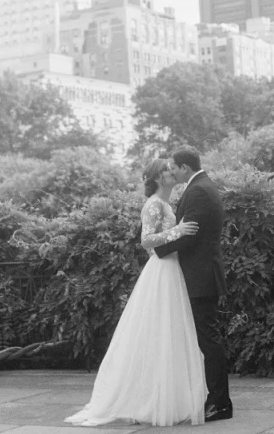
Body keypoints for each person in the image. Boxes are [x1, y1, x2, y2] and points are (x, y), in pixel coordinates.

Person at [64, 158, 207, 427]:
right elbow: (146, 241)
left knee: (169, 333)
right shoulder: (153, 204)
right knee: (156, 330)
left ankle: (166, 397)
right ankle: (146, 400)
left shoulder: (165, 204)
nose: (171, 172)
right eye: (166, 170)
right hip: (161, 271)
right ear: (156, 178)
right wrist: (177, 230)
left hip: (172, 269)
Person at [154, 146, 233, 422]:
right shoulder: (201, 185)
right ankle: (216, 399)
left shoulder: (199, 190)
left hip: (201, 275)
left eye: (174, 166)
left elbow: (191, 236)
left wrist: (156, 250)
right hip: (200, 273)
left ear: (185, 167)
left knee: (209, 340)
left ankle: (221, 403)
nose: (171, 171)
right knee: (207, 338)